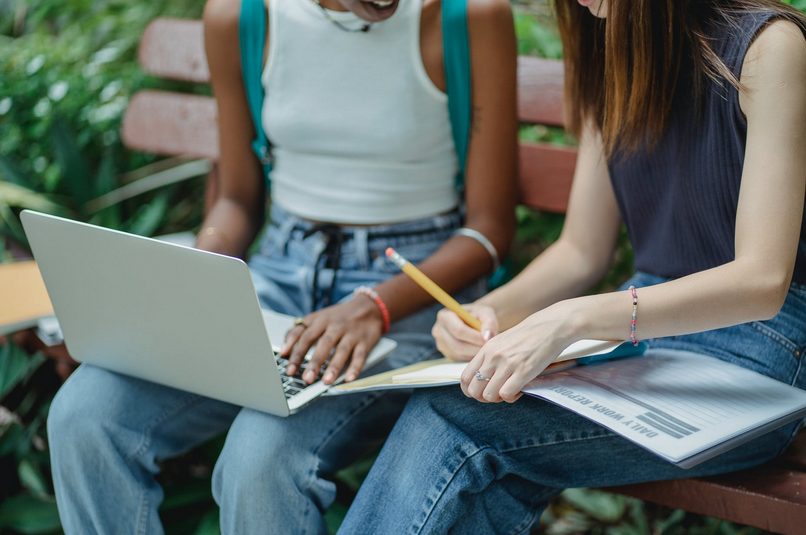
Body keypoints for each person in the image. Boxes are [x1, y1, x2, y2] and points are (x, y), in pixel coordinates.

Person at [45, 0, 519, 532]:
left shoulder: (467, 17)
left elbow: (489, 231)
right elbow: (239, 200)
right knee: (84, 417)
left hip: (411, 292)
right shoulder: (241, 18)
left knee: (260, 460)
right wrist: (203, 266)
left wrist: (374, 306)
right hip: (276, 280)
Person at [337, 0, 806, 533]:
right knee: (479, 434)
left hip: (756, 350)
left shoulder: (768, 47)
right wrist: (487, 311)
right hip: (641, 343)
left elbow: (762, 281)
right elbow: (581, 250)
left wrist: (570, 320)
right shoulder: (609, 48)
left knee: (452, 423)